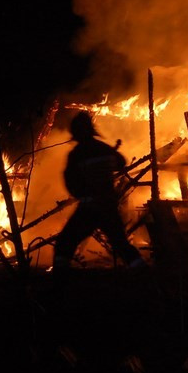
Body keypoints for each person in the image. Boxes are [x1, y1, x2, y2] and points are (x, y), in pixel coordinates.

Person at [52, 111, 145, 285]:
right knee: (121, 244)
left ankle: (59, 281)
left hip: (89, 208)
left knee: (65, 242)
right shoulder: (104, 149)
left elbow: (70, 180)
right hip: (108, 206)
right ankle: (143, 275)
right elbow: (121, 162)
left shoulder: (77, 154)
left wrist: (80, 193)